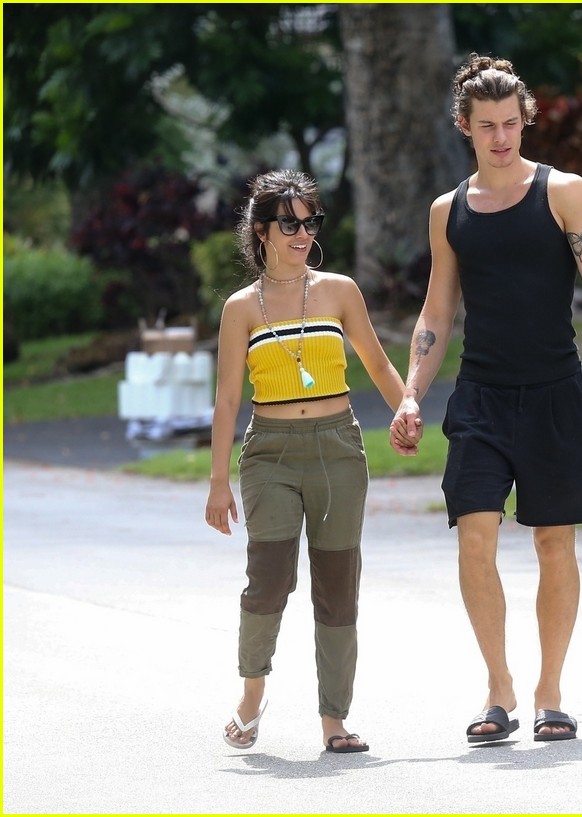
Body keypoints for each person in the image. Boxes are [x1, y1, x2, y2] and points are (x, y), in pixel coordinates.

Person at [389, 54, 582, 744]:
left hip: (555, 394)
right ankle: (498, 687)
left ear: (524, 119)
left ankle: (548, 692)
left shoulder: (564, 193)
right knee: (475, 532)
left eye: (511, 123)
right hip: (481, 398)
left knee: (554, 541)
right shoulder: (449, 213)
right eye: (487, 126)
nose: (501, 137)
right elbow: (437, 312)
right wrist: (412, 393)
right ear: (465, 128)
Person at [206, 169, 405, 754]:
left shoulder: (339, 291)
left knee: (338, 584)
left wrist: (407, 410)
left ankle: (334, 721)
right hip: (269, 453)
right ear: (262, 230)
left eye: (309, 220)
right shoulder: (240, 309)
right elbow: (226, 400)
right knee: (268, 579)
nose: (301, 232)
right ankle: (251, 695)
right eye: (288, 222)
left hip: (338, 450)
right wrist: (218, 483)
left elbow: (377, 362)